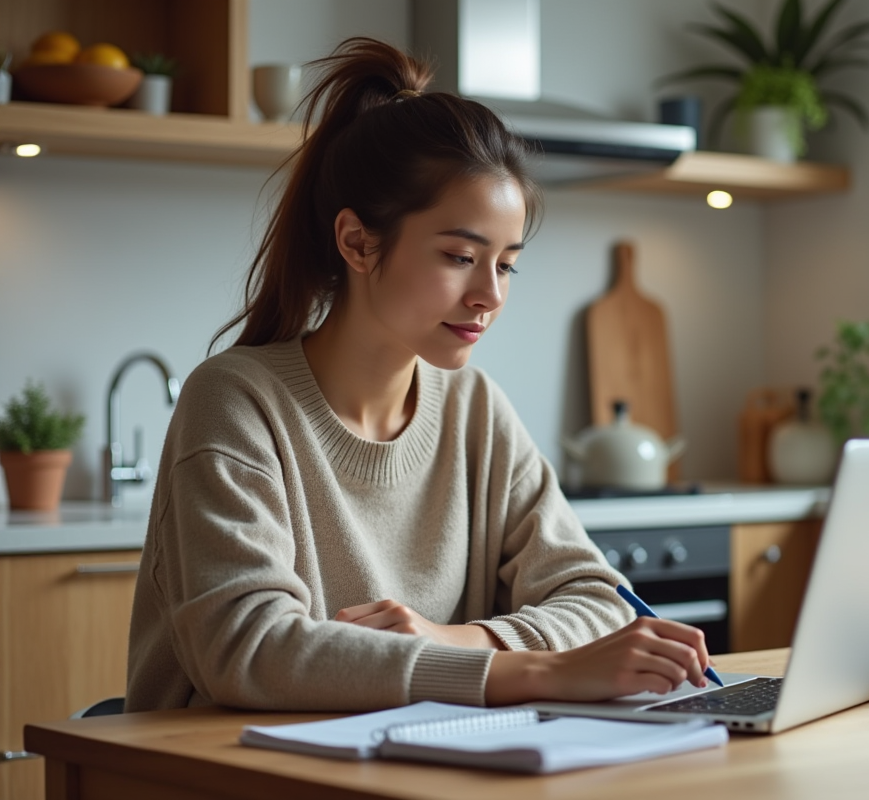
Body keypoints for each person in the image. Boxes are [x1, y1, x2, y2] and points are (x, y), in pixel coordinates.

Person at [125, 37, 713, 712]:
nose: (490, 295)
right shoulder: (236, 401)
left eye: (506, 264)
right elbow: (251, 647)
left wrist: (455, 640)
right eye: (461, 256)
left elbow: (598, 600)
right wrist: (536, 672)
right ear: (357, 242)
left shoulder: (474, 408)